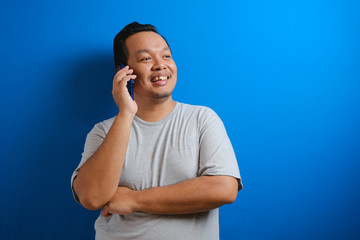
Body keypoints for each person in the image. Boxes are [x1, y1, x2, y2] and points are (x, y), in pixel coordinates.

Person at [71, 22, 242, 240]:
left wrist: (133, 200)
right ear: (123, 72)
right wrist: (126, 114)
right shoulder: (103, 132)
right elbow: (92, 197)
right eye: (145, 58)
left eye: (167, 56)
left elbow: (223, 189)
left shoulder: (202, 119)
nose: (160, 65)